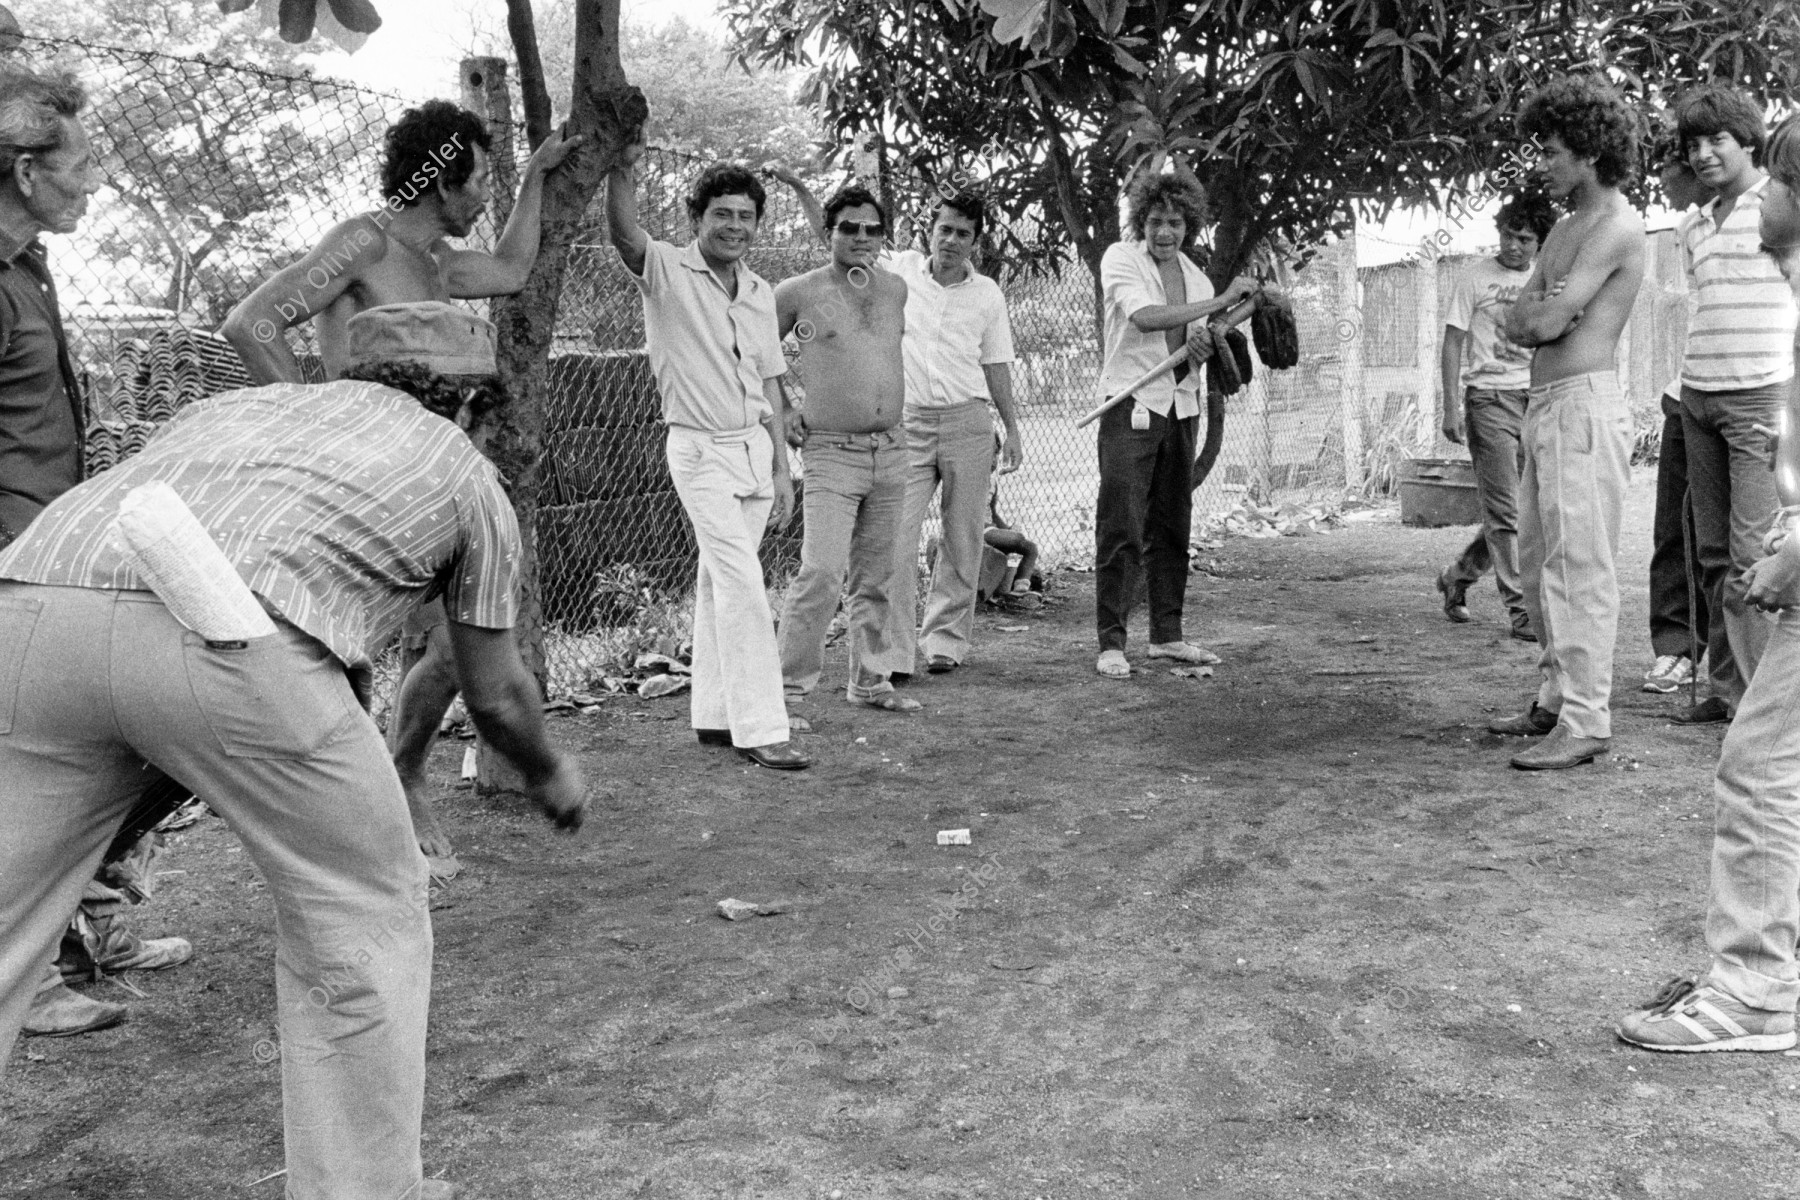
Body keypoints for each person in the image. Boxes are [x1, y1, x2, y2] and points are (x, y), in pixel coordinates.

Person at [0, 301, 587, 1199]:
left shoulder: (233, 409)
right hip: (228, 629)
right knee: (361, 910)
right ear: (470, 406)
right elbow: (497, 692)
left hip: (33, 602)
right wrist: (550, 774)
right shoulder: (466, 473)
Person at [222, 100, 580, 874]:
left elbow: (515, 270)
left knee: (459, 647)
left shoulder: (444, 267)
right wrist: (319, 422)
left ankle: (404, 769)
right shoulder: (361, 242)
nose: (484, 197)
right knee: (341, 655)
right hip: (353, 484)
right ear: (441, 181)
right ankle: (354, 833)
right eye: (480, 180)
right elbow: (252, 323)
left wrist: (534, 179)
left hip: (429, 481)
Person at [0, 63, 193, 1038]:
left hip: (49, 554)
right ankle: (25, 983)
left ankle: (95, 935)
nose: (94, 182)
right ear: (28, 171)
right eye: (79, 165)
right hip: (9, 571)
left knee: (121, 752)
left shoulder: (28, 262)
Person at [1616, 114, 1800, 1051]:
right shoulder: (1699, 229)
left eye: (1778, 179)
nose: (1762, 201)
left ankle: (1758, 996)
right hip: (1710, 400)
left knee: (1763, 767)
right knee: (1722, 563)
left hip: (1759, 414)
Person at [606, 141, 810, 769]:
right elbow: (623, 230)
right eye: (722, 214)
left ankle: (716, 716)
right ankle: (762, 727)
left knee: (717, 583)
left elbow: (771, 383)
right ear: (698, 217)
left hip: (753, 448)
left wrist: (782, 469)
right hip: (697, 450)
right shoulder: (665, 268)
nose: (735, 227)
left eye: (746, 216)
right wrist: (622, 168)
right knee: (745, 585)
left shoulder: (757, 290)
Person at [1489, 75, 1646, 770]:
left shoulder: (1618, 224)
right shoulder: (1562, 230)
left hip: (1583, 403)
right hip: (1543, 406)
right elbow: (1518, 317)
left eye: (1552, 151)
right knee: (1536, 561)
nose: (1544, 164)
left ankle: (1588, 718)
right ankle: (1554, 699)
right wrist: (1537, 314)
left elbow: (1542, 318)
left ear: (1587, 150)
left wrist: (1540, 314)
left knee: (1580, 565)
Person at [1662, 87, 1798, 726]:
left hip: (1760, 396)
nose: (1704, 153)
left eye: (1718, 139)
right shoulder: (1690, 224)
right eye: (1693, 144)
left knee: (1753, 555)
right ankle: (1726, 690)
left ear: (1749, 141)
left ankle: (1759, 706)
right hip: (1698, 397)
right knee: (1712, 553)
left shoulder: (1779, 206)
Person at [1092, 171, 1258, 678]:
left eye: (1177, 223)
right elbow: (1146, 318)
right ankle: (1111, 643)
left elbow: (1188, 355)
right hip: (1130, 404)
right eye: (1157, 222)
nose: (1166, 233)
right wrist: (1223, 300)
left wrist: (1205, 345)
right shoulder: (1120, 258)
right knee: (1121, 520)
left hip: (1180, 408)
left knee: (1172, 524)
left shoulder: (1197, 276)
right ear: (1142, 220)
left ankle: (1167, 636)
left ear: (1191, 225)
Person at [771, 184, 919, 715]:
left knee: (878, 574)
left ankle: (870, 679)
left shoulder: (897, 289)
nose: (861, 236)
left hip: (892, 449)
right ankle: (786, 694)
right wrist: (785, 407)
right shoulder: (800, 292)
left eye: (871, 228)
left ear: (883, 236)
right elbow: (758, 355)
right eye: (848, 227)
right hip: (830, 451)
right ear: (828, 233)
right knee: (822, 572)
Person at [875, 189, 1025, 678]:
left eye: (963, 233)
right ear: (930, 231)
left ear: (975, 241)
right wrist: (796, 186)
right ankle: (894, 652)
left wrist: (1014, 429)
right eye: (945, 230)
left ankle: (944, 641)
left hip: (968, 423)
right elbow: (831, 234)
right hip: (910, 424)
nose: (952, 240)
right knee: (897, 538)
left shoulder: (986, 295)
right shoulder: (900, 269)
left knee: (962, 539)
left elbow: (996, 364)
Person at [1434, 191, 1558, 642]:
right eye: (1508, 235)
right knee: (1506, 511)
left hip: (1535, 396)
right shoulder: (1475, 278)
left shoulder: (1546, 278)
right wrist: (1451, 406)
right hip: (1487, 399)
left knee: (1527, 511)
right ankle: (1521, 609)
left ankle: (1459, 575)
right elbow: (1452, 343)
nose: (1514, 246)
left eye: (1525, 239)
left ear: (1540, 242)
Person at [1643, 154, 1716, 695]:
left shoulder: (1771, 219)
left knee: (1741, 538)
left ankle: (1739, 663)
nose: (1662, 183)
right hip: (1687, 396)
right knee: (1676, 530)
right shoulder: (1690, 229)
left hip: (1758, 398)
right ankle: (1677, 649)